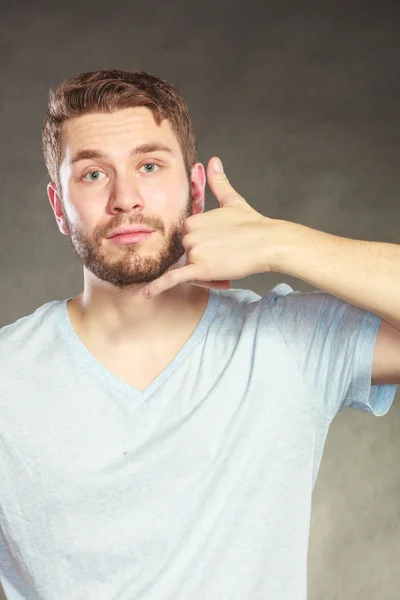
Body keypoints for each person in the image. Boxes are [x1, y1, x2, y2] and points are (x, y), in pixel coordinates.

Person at [0, 69, 399, 600]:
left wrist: (282, 244)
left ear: (194, 189)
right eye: (93, 174)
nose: (125, 198)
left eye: (148, 166)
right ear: (58, 206)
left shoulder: (287, 342)